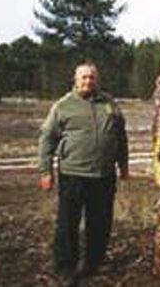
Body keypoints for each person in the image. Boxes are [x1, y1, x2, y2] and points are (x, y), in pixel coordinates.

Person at [38, 62, 129, 282]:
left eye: (91, 77)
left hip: (103, 175)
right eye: (83, 78)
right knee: (68, 223)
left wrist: (123, 165)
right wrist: (46, 171)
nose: (88, 81)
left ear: (97, 80)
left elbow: (121, 137)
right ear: (75, 80)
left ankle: (93, 262)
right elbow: (47, 139)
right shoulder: (63, 106)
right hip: (73, 175)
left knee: (100, 222)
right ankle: (65, 267)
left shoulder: (109, 104)